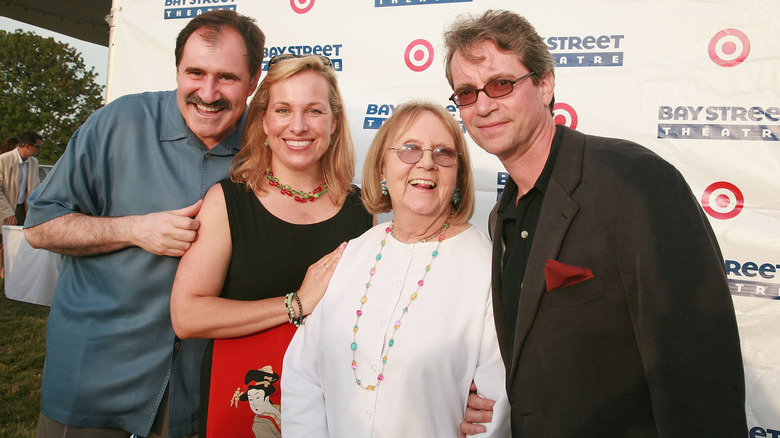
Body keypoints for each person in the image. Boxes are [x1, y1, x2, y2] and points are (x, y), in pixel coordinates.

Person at [443, 9, 747, 437]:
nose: (484, 105)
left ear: (545, 84)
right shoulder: (501, 217)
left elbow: (700, 377)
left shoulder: (633, 181)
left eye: (501, 84)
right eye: (467, 93)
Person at [24, 10, 265, 438]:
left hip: (200, 390)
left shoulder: (270, 144)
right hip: (94, 379)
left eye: (227, 77)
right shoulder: (118, 122)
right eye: (195, 73)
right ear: (177, 69)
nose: (207, 93)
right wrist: (134, 229)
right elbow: (40, 226)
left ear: (253, 81)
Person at [169, 54, 373, 437]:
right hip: (243, 407)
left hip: (334, 411)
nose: (298, 125)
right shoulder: (228, 201)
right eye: (283, 109)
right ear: (263, 121)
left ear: (334, 122)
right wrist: (296, 304)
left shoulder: (363, 211)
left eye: (314, 111)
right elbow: (186, 316)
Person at [281, 101, 510, 437]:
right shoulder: (352, 254)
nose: (427, 162)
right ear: (381, 169)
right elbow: (303, 376)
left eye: (444, 153)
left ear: (458, 176)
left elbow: (494, 407)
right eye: (409, 149)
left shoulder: (485, 269)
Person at [0, 131, 42, 226]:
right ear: (27, 146)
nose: (39, 150)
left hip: (23, 210)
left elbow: (36, 187)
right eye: (37, 147)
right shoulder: (3, 160)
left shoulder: (34, 162)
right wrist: (7, 212)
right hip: (5, 210)